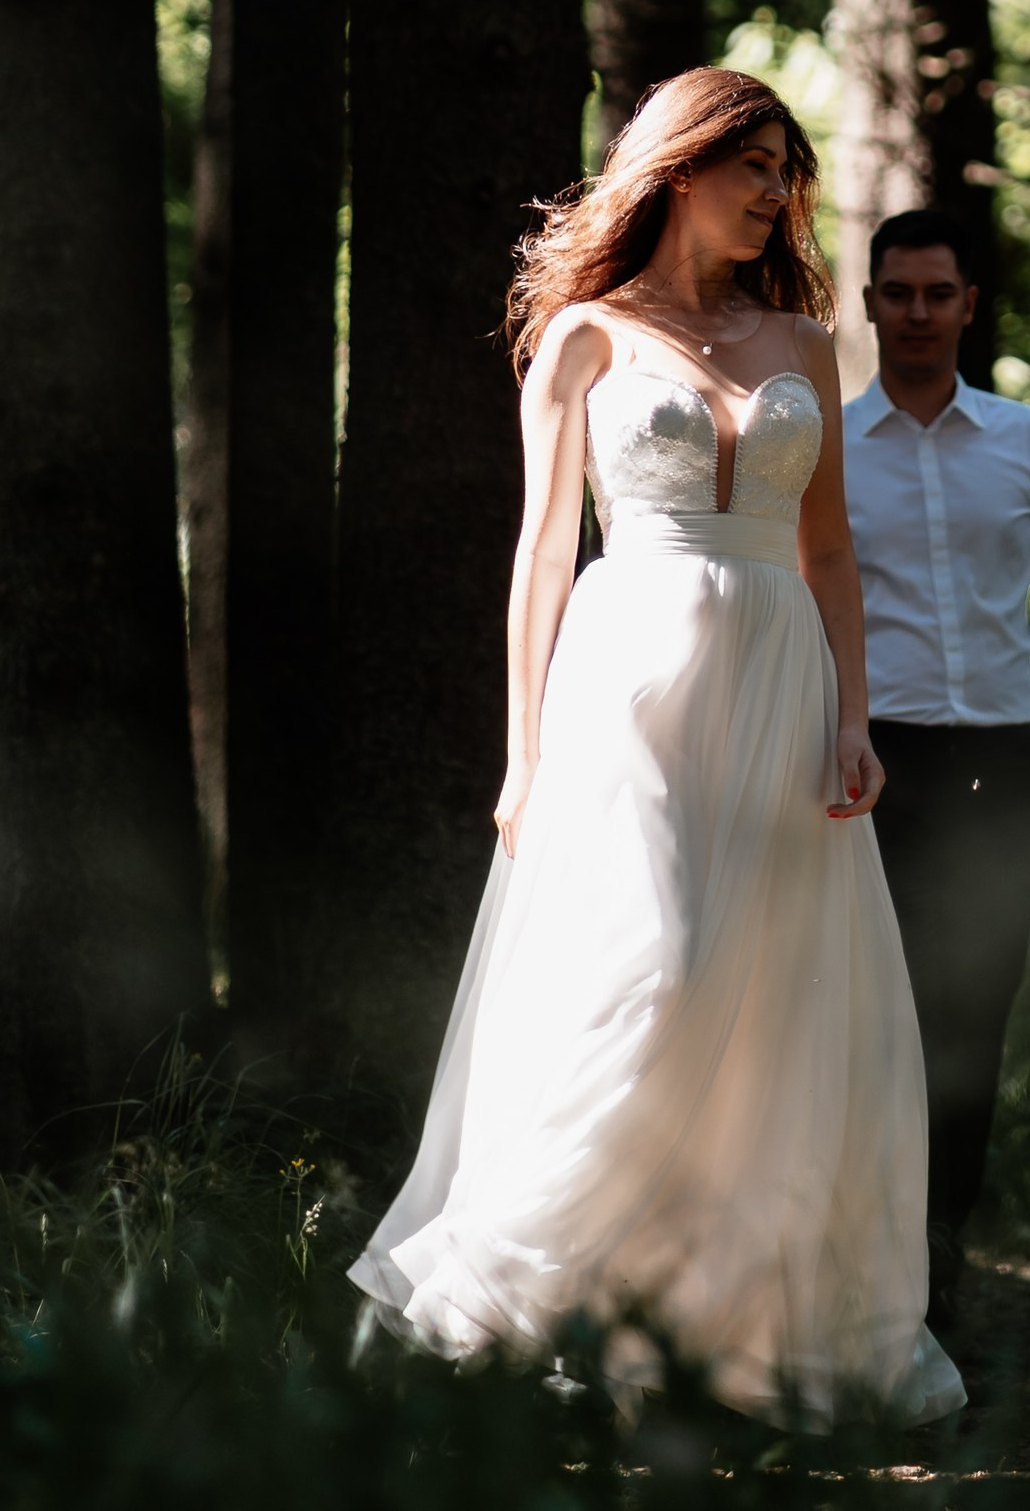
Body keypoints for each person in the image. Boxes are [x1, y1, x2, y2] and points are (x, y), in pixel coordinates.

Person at [349, 70, 964, 1431]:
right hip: (629, 685)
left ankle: (706, 1336)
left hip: (782, 687)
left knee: (769, 1004)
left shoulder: (805, 345)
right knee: (655, 966)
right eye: (751, 166)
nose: (774, 196)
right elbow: (540, 560)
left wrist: (854, 713)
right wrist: (521, 754)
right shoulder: (585, 334)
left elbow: (828, 551)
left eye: (786, 173)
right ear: (677, 165)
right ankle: (517, 1297)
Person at [841, 210, 1030, 1328]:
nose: (915, 313)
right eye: (895, 293)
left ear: (966, 306)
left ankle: (941, 1263)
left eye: (935, 293)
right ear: (868, 308)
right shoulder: (825, 451)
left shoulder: (1028, 440)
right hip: (873, 769)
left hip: (1005, 769)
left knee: (973, 1016)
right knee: (868, 1013)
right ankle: (862, 1263)